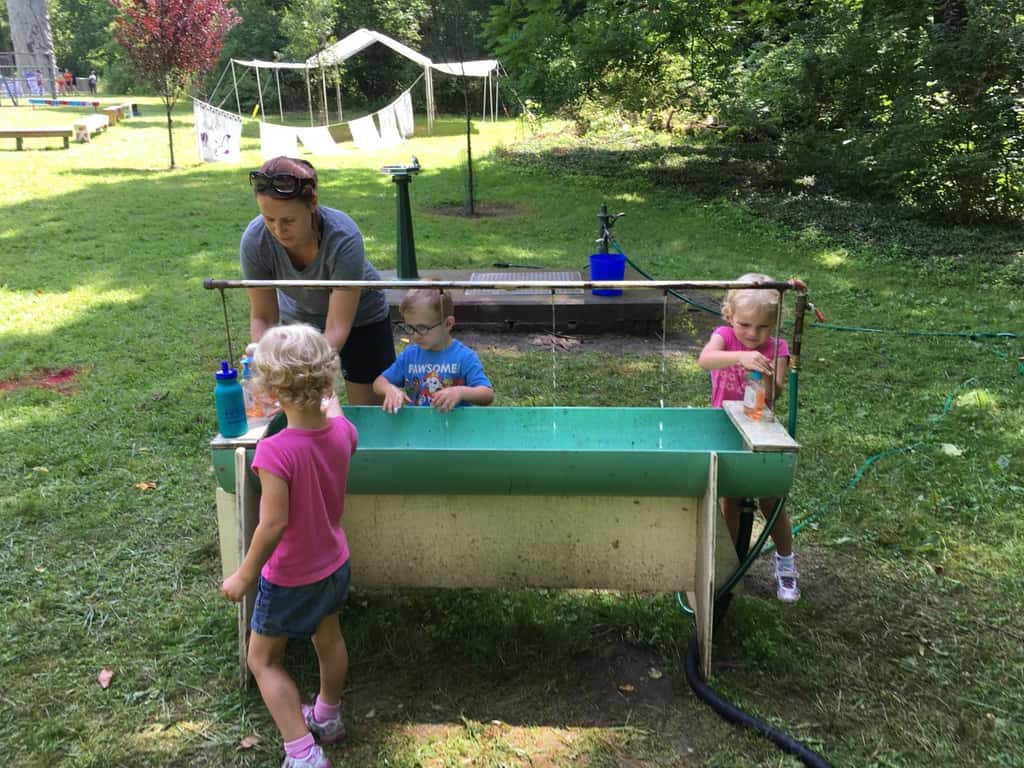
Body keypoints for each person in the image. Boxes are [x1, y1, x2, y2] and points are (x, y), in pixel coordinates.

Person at [221, 324, 355, 768]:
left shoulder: (275, 452)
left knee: (262, 660)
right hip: (334, 563)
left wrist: (244, 575)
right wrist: (329, 397)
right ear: (328, 379)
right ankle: (327, 716)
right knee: (328, 638)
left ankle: (303, 752)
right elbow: (334, 415)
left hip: (292, 575)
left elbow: (274, 522)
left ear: (271, 391)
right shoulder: (344, 432)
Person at [242, 156, 395, 406]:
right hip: (299, 324)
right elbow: (264, 318)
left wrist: (302, 372)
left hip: (362, 319)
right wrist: (266, 359)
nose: (278, 230)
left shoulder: (344, 237)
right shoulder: (255, 240)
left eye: (288, 220)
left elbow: (337, 328)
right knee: (301, 408)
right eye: (269, 219)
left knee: (368, 411)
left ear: (312, 203)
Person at [697, 273, 799, 602]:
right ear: (730, 316)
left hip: (760, 428)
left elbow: (775, 394)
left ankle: (786, 563)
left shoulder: (778, 347)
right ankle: (729, 563)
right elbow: (705, 359)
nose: (753, 334)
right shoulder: (725, 336)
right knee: (730, 497)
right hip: (724, 426)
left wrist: (763, 373)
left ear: (775, 323)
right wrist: (739, 357)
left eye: (763, 327)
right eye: (745, 325)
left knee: (770, 499)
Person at [373, 287, 494, 412]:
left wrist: (461, 392)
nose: (415, 336)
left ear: (448, 324)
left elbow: (487, 394)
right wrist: (389, 389)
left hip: (453, 423)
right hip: (417, 423)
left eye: (422, 328)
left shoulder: (464, 357)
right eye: (410, 328)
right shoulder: (410, 355)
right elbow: (379, 382)